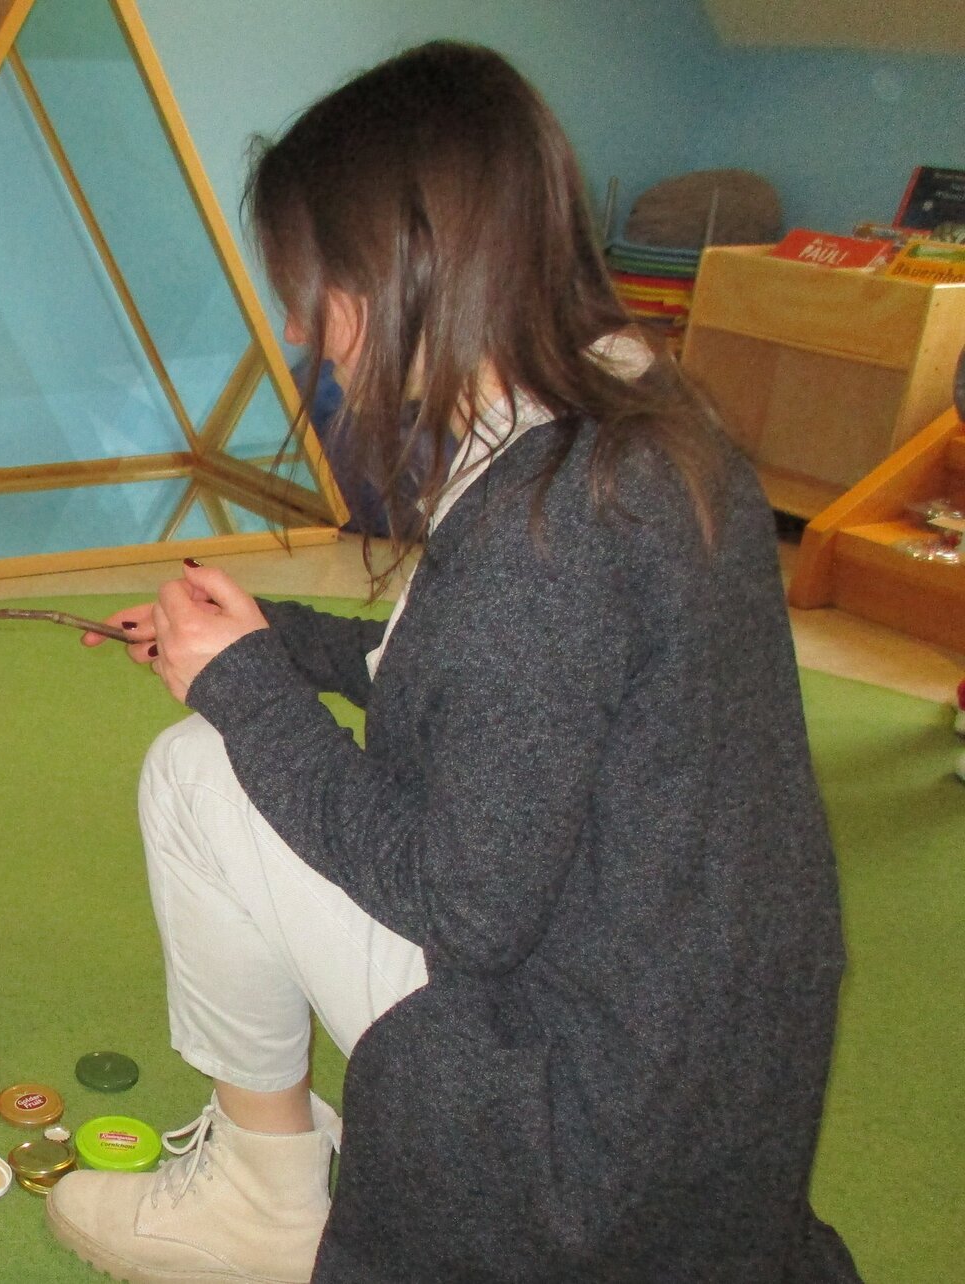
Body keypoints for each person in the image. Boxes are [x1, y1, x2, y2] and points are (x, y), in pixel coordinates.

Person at [53, 43, 857, 1284]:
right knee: (225, 730)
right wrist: (260, 635)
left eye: (314, 291)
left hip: (576, 1133)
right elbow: (477, 685)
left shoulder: (552, 520)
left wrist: (242, 687)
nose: (298, 331)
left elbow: (458, 903)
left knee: (197, 772)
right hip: (687, 1068)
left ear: (411, 270)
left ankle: (264, 1203)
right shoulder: (631, 415)